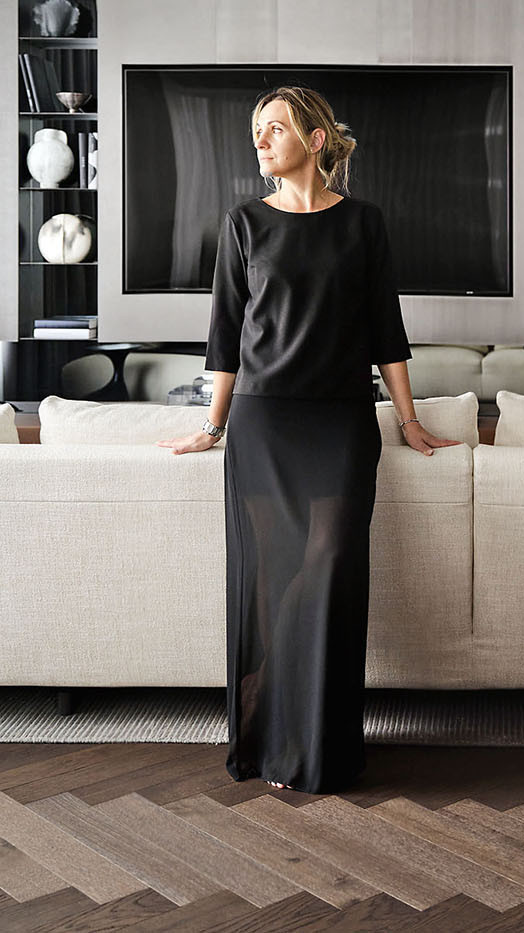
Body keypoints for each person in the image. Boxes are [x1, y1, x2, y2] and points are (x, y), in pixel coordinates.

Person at [157, 85, 458, 793]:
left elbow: (387, 330)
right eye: (256, 131)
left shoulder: (363, 223)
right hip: (263, 424)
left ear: (315, 139)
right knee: (267, 579)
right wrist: (212, 426)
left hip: (341, 423)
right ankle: (270, 737)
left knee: (328, 566)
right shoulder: (243, 223)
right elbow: (225, 336)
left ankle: (319, 742)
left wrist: (409, 418)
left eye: (275, 128)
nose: (260, 141)